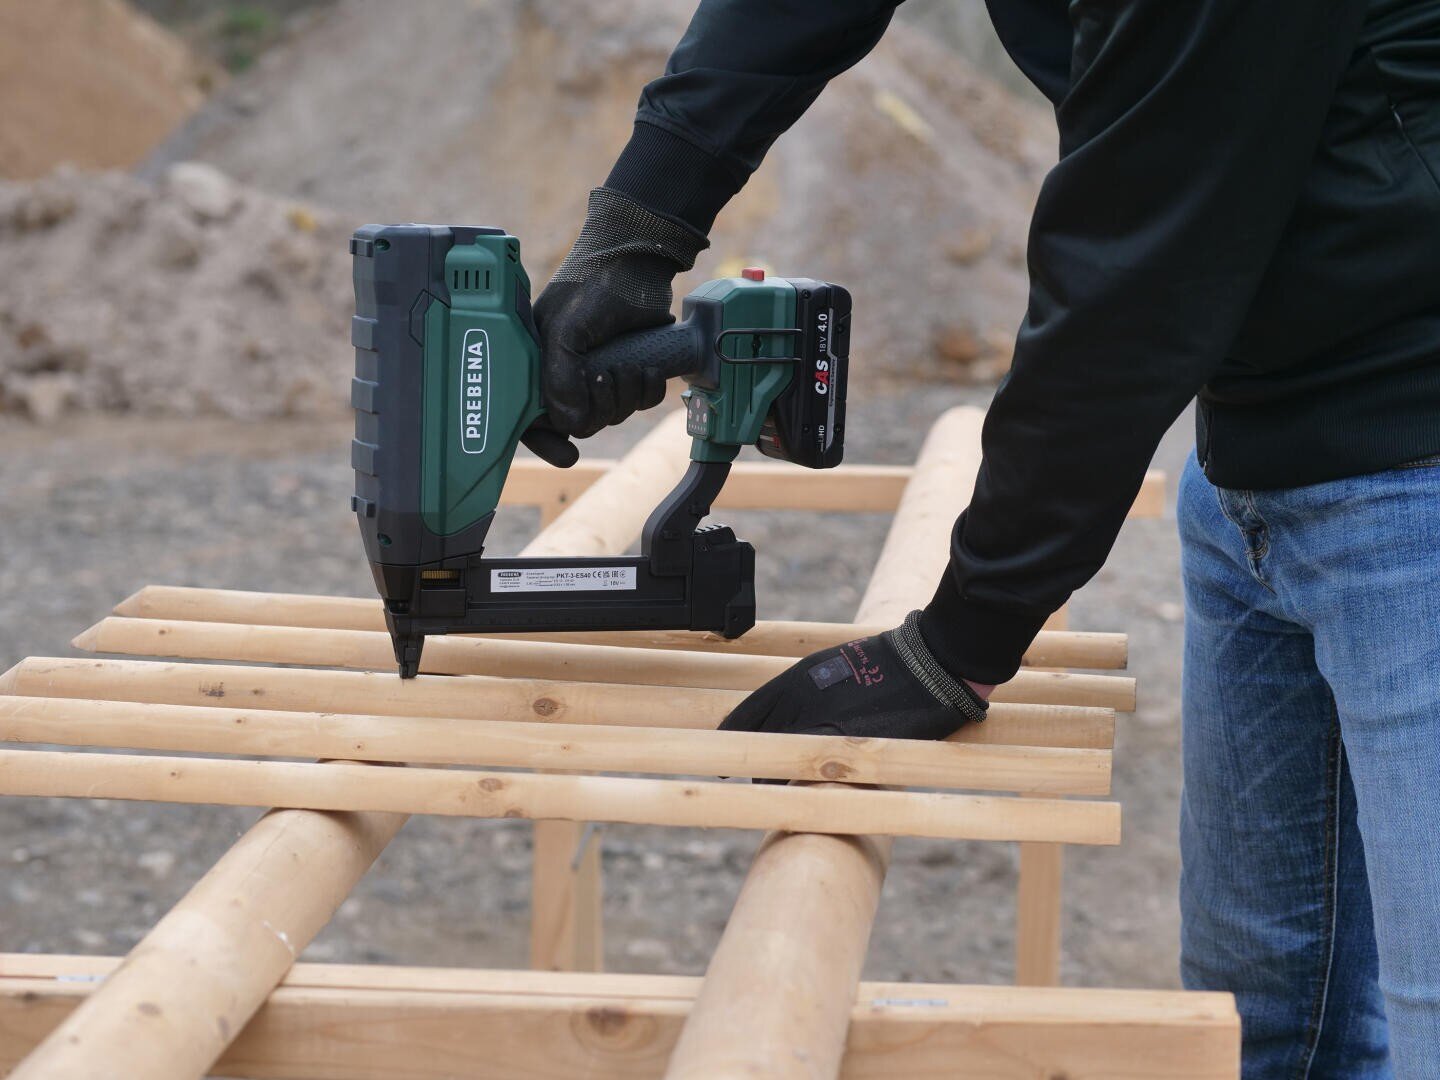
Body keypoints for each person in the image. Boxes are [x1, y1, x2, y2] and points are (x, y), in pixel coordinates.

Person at [525, 2, 1440, 1074]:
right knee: (1268, 1024)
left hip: (1411, 475)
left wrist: (961, 639)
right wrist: (643, 218)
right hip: (1255, 459)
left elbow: (1136, 274)